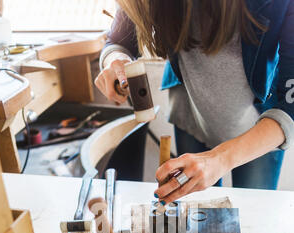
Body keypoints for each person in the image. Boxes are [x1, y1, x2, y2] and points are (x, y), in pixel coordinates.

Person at [95, 0, 294, 205]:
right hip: (190, 113)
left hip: (259, 130)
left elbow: (291, 108)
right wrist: (114, 60)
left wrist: (220, 159)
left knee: (254, 211)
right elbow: (119, 41)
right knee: (198, 213)